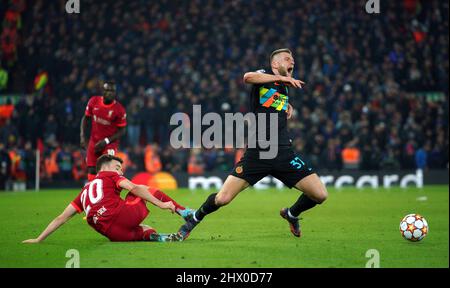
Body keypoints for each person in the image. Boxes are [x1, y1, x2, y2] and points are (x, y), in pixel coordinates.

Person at [179, 48, 328, 239]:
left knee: (320, 195)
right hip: (258, 153)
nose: (293, 62)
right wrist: (283, 80)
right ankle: (194, 217)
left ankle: (291, 214)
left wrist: (286, 104)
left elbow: (269, 103)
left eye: (293, 59)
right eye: (287, 59)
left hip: (283, 153)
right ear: (275, 64)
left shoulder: (283, 87)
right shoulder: (264, 75)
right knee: (222, 198)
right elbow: (247, 77)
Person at [23, 155, 192, 243]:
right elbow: (133, 188)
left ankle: (158, 237)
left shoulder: (84, 191)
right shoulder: (110, 175)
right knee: (142, 188)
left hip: (112, 233)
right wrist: (161, 204)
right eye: (118, 167)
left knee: (144, 229)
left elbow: (62, 217)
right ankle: (183, 211)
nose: (120, 172)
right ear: (105, 166)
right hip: (120, 216)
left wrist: (39, 238)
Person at [80, 81, 127, 181]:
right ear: (103, 91)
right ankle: (93, 192)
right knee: (92, 169)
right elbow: (86, 119)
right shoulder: (93, 101)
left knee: (107, 168)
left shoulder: (119, 110)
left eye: (112, 91)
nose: (110, 93)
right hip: (94, 141)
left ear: (115, 93)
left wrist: (106, 141)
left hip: (109, 143)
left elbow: (122, 130)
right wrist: (83, 137)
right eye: (107, 90)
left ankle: (107, 192)